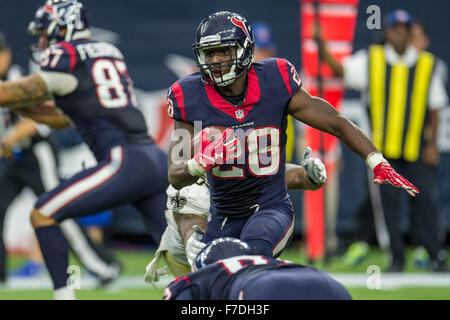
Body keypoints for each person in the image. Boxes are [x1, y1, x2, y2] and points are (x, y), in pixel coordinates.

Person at [166, 11, 418, 262]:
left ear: (244, 50)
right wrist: (198, 163)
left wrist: (375, 159)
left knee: (251, 256)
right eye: (210, 53)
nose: (216, 60)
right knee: (210, 275)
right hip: (223, 216)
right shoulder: (188, 95)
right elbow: (175, 176)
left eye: (224, 51)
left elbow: (335, 122)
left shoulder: (274, 80)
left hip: (270, 209)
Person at [0, 0, 168, 299]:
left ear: (62, 27)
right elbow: (61, 120)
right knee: (176, 255)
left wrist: (11, 98)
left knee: (43, 213)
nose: (41, 40)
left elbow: (19, 91)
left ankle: (64, 296)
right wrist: (16, 102)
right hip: (153, 161)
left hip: (123, 160)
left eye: (43, 32)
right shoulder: (107, 53)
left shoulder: (66, 56)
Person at [316, 9, 448, 272]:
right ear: (387, 32)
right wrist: (321, 46)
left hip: (415, 147)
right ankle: (396, 258)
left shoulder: (426, 64)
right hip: (382, 149)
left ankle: (436, 255)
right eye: (395, 29)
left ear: (410, 34)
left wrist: (432, 142)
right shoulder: (371, 60)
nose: (399, 34)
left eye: (404, 30)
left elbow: (435, 107)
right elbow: (340, 70)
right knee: (387, 207)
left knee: (424, 201)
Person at [145, 159, 327, 283]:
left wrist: (306, 176)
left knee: (247, 275)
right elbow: (189, 219)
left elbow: (270, 175)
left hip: (231, 229)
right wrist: (192, 238)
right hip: (185, 252)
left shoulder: (238, 166)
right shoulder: (192, 185)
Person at [163, 237, 352, 300]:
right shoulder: (263, 260)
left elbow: (174, 292)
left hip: (265, 288)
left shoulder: (211, 272)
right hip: (329, 284)